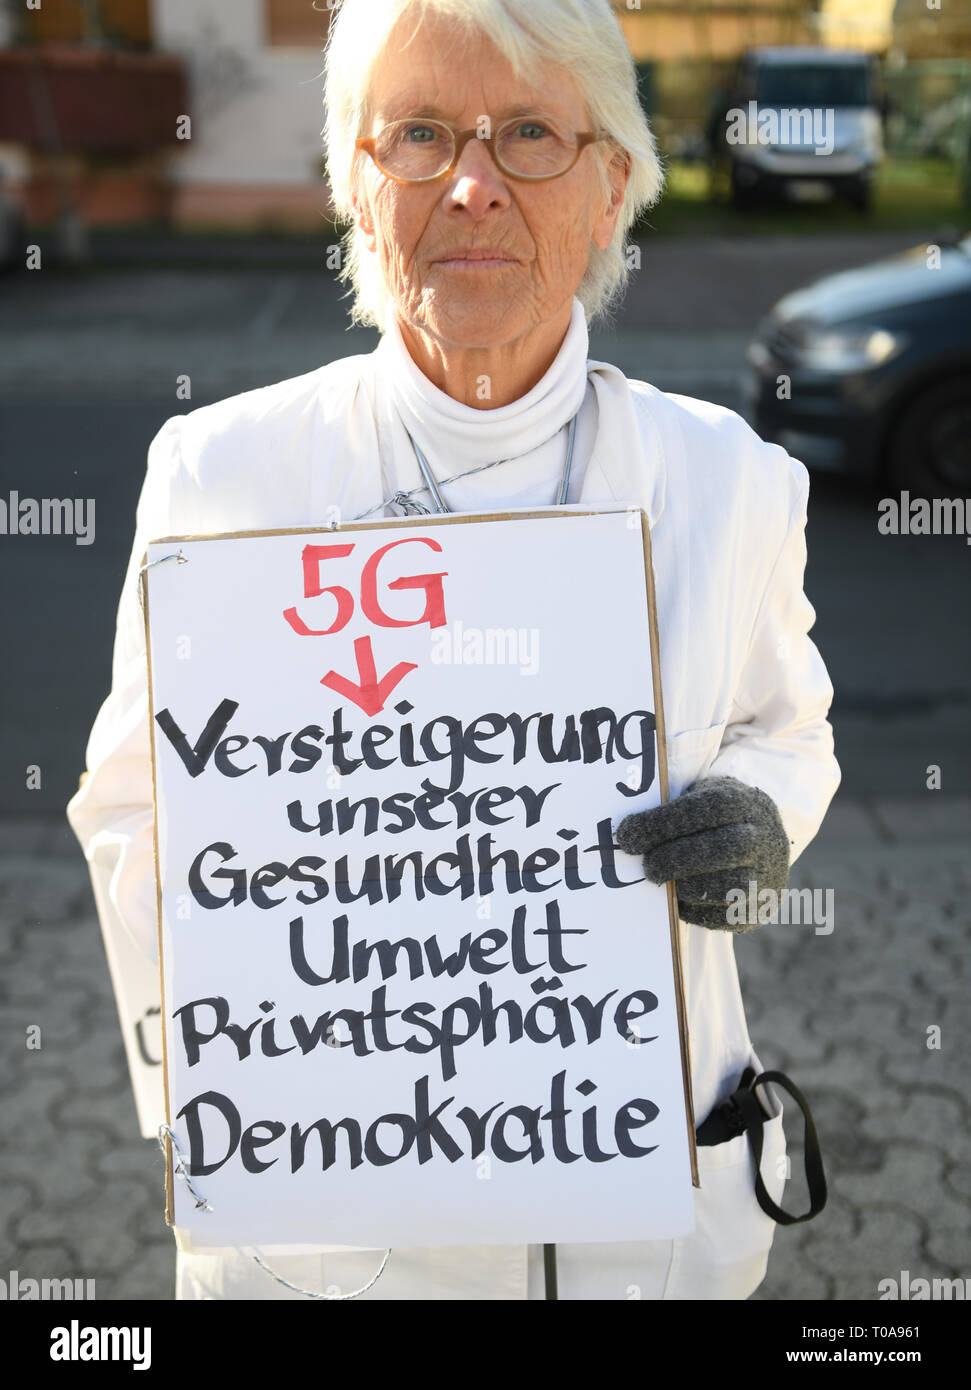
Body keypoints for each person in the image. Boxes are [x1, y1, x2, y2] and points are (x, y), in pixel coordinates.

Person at [66, 0, 840, 1301]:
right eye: (419, 133)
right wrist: (254, 1032)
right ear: (356, 186)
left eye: (530, 132)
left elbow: (793, 731)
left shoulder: (730, 482)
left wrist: (760, 818)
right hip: (321, 1232)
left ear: (611, 187)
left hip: (644, 1220)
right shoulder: (220, 476)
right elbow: (129, 804)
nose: (473, 183)